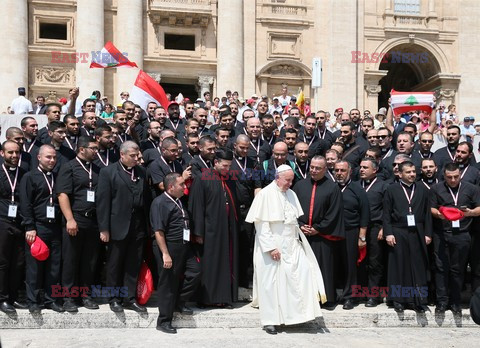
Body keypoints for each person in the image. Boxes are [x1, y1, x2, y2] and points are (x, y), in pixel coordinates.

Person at [246, 165, 326, 335]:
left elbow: (293, 220)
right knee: (271, 284)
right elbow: (261, 224)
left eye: (291, 180)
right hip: (272, 246)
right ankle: (270, 321)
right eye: (287, 180)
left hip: (291, 244)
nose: (290, 183)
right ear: (278, 177)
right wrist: (271, 248)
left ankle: (298, 315)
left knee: (302, 274)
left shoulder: (291, 194)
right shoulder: (265, 194)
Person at [96, 141, 151, 313]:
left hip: (138, 225)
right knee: (114, 264)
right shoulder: (108, 172)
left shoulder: (142, 172)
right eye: (132, 156)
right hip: (117, 225)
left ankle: (129, 298)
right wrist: (104, 228)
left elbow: (147, 200)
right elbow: (103, 202)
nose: (136, 159)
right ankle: (114, 298)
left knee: (133, 263)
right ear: (122, 155)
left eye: (137, 155)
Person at [151, 173, 201, 334]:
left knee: (195, 272)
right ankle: (164, 320)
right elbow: (158, 231)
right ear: (171, 187)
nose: (185, 187)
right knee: (168, 284)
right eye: (181, 184)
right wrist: (165, 254)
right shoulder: (160, 203)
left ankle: (179, 302)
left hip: (184, 246)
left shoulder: (178, 201)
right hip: (169, 247)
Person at [188, 148, 239, 307]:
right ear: (215, 162)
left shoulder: (229, 178)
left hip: (226, 230)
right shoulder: (203, 178)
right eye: (224, 165)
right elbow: (196, 206)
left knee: (226, 263)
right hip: (209, 231)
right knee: (210, 265)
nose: (227, 169)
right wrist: (198, 232)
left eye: (229, 166)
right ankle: (207, 299)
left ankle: (224, 298)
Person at [56, 136, 101, 312]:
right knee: (71, 260)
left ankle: (85, 294)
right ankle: (68, 297)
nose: (96, 151)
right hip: (76, 219)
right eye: (93, 148)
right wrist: (70, 219)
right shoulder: (69, 167)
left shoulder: (97, 169)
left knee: (89, 260)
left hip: (93, 220)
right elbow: (62, 194)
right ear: (82, 149)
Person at [293, 156, 344, 309]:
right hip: (302, 235)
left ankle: (325, 299)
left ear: (325, 169)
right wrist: (300, 225)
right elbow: (291, 208)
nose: (313, 170)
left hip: (322, 236)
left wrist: (318, 228)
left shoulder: (332, 187)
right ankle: (304, 299)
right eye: (312, 167)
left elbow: (334, 212)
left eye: (318, 168)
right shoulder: (299, 185)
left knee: (324, 268)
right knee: (302, 268)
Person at [430, 163, 480, 315]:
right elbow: (431, 208)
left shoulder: (472, 189)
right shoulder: (436, 188)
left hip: (462, 234)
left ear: (460, 175)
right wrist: (440, 214)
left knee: (458, 270)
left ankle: (456, 302)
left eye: (456, 177)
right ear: (444, 176)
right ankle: (442, 302)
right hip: (442, 233)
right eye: (449, 177)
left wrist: (469, 213)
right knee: (441, 269)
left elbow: (479, 209)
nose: (453, 180)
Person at [383, 161, 432, 313]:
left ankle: (417, 300)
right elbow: (386, 214)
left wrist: (428, 233)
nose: (412, 174)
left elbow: (427, 213)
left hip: (417, 231)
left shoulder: (422, 189)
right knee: (399, 265)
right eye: (408, 172)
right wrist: (388, 233)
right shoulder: (391, 189)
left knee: (417, 266)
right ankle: (398, 300)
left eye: (413, 171)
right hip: (398, 231)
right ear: (400, 174)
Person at [19, 145, 63, 313]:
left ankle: (51, 300)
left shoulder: (58, 176)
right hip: (38, 227)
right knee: (35, 266)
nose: (52, 160)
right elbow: (25, 203)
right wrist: (29, 226)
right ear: (39, 157)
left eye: (54, 157)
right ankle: (33, 301)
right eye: (48, 157)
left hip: (55, 227)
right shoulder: (30, 177)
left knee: (54, 266)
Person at [334, 160, 370, 310]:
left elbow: (365, 213)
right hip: (333, 232)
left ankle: (350, 297)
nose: (339, 173)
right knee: (334, 264)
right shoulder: (331, 187)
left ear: (349, 171)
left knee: (350, 265)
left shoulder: (357, 189)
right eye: (337, 170)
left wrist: (362, 236)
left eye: (342, 170)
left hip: (351, 231)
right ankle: (334, 295)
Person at [0, 141, 27, 314]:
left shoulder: (24, 174)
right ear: (2, 153)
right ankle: (2, 299)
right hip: (1, 221)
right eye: (10, 152)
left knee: (18, 263)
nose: (14, 156)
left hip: (19, 222)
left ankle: (13, 296)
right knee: (2, 262)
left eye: (17, 152)